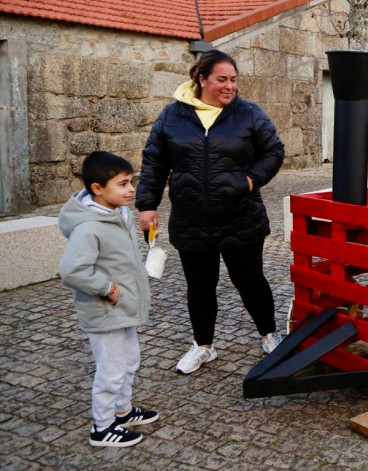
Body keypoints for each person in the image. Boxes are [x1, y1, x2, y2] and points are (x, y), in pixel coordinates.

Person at [136, 49, 285, 375]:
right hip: (192, 219)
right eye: (222, 79)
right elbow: (154, 161)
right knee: (200, 286)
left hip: (240, 216)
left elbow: (274, 150)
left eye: (233, 79)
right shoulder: (172, 117)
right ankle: (204, 347)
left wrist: (250, 180)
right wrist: (147, 204)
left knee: (250, 281)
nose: (230, 86)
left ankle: (270, 336)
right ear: (201, 79)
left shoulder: (249, 114)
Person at [59, 151, 158, 447]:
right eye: (123, 184)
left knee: (129, 360)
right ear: (97, 189)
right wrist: (107, 288)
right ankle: (102, 427)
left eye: (131, 182)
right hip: (105, 311)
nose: (131, 190)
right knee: (111, 369)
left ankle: (122, 410)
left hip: (123, 306)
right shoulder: (89, 227)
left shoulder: (119, 214)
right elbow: (72, 270)